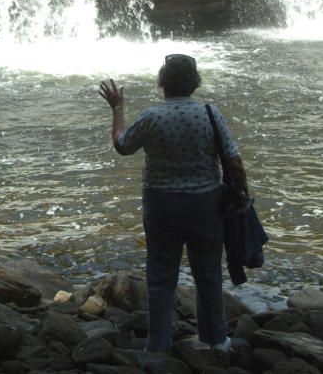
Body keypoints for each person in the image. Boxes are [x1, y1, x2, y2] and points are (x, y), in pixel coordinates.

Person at [98, 54, 248, 353]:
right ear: (194, 83)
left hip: (162, 204)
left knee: (161, 274)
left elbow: (122, 145)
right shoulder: (209, 113)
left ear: (162, 82)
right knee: (207, 271)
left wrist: (117, 109)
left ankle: (158, 346)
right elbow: (233, 160)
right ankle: (216, 340)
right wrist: (242, 195)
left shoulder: (153, 116)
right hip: (205, 203)